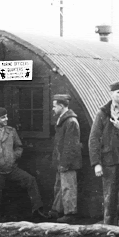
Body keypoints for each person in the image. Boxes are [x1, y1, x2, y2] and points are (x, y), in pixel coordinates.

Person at [89, 82, 119, 226]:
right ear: (111, 94)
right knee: (109, 197)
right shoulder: (103, 113)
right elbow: (94, 138)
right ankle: (109, 228)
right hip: (109, 161)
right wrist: (96, 163)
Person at [0, 107, 47, 223]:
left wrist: (14, 156)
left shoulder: (11, 131)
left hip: (11, 169)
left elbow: (19, 147)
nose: (6, 119)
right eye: (3, 117)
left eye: (6, 116)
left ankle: (37, 212)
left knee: (30, 180)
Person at [50, 94, 82, 223]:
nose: (53, 109)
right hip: (61, 161)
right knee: (60, 186)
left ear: (61, 106)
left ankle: (70, 214)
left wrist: (65, 163)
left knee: (68, 187)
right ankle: (56, 211)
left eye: (54, 106)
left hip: (67, 163)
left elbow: (71, 146)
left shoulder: (70, 122)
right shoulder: (64, 120)